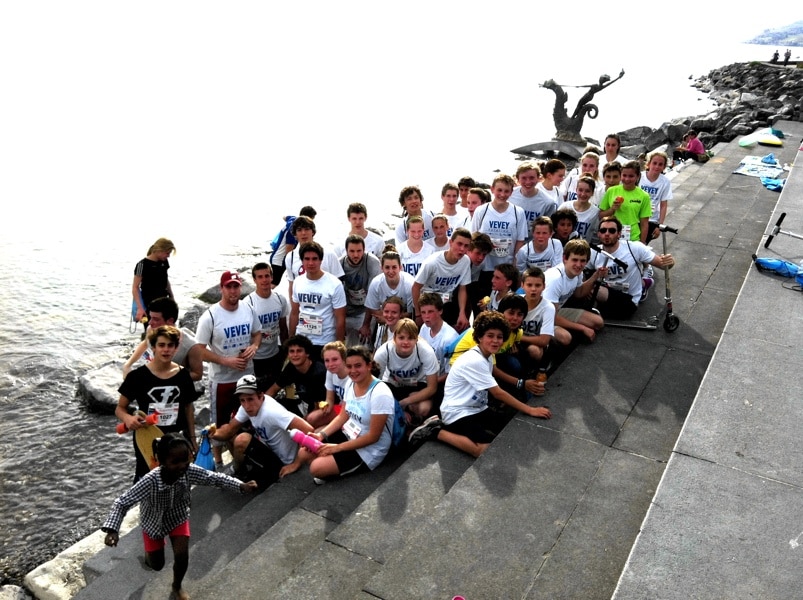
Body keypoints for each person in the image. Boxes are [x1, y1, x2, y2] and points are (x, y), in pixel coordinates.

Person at [101, 433, 257, 600]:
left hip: (178, 517)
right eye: (175, 462)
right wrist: (112, 530)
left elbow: (214, 478)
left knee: (182, 556)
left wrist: (240, 485)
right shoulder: (150, 481)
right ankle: (148, 557)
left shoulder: (188, 471)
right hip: (154, 522)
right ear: (162, 461)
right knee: (157, 565)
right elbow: (122, 502)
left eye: (185, 460)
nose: (182, 466)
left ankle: (177, 586)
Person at [407, 311, 551, 456]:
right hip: (458, 412)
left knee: (509, 429)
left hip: (477, 408)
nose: (495, 341)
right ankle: (435, 431)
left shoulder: (487, 355)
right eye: (490, 336)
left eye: (499, 337)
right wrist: (530, 410)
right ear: (480, 337)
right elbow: (498, 393)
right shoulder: (475, 360)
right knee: (484, 450)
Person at [196, 271, 262, 468]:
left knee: (251, 415)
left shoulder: (248, 309)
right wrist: (225, 361)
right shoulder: (210, 316)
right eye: (229, 287)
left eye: (236, 287)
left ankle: (249, 454)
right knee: (220, 422)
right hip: (222, 379)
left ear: (240, 288)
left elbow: (257, 333)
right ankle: (218, 461)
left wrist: (254, 346)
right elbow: (199, 350)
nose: (233, 291)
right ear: (222, 289)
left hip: (247, 375)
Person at [116, 325, 198, 482]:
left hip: (175, 437)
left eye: (170, 345)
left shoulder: (183, 375)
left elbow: (188, 408)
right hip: (147, 437)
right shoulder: (137, 377)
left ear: (176, 348)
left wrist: (193, 439)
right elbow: (120, 408)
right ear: (153, 347)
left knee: (177, 476)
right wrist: (128, 418)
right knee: (147, 477)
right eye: (161, 345)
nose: (166, 350)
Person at [306, 346, 395, 484]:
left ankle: (335, 470)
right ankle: (332, 465)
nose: (353, 371)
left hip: (369, 449)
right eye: (349, 366)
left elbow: (373, 437)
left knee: (316, 468)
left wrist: (337, 448)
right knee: (307, 449)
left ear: (369, 366)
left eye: (358, 366)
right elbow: (343, 416)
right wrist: (321, 435)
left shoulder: (380, 393)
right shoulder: (351, 383)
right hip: (349, 434)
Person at [211, 374, 315, 487]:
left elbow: (308, 430)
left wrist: (296, 464)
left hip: (284, 461)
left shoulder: (272, 412)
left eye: (250, 399)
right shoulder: (246, 407)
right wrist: (212, 434)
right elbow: (229, 431)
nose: (247, 406)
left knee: (242, 440)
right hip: (269, 449)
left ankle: (241, 473)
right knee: (228, 432)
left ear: (261, 396)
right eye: (242, 400)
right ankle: (239, 470)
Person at [590, 217, 675, 318]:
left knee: (592, 291)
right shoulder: (593, 252)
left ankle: (643, 284)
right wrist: (596, 275)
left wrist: (670, 262)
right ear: (598, 234)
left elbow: (663, 265)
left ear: (619, 234)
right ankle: (644, 283)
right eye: (603, 230)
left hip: (629, 299)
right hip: (608, 293)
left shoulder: (634, 248)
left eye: (612, 231)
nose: (607, 234)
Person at [471, 173, 528, 306]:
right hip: (484, 267)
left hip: (506, 267)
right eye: (499, 190)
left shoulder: (518, 212)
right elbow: (474, 239)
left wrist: (514, 266)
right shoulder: (481, 211)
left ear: (511, 192)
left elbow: (520, 241)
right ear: (492, 189)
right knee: (481, 305)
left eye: (506, 191)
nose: (502, 194)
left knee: (504, 306)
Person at [122, 296, 204, 382]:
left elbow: (197, 374)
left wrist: (168, 377)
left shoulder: (190, 345)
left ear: (170, 321)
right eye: (150, 317)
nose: (150, 323)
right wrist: (128, 364)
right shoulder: (151, 330)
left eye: (156, 319)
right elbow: (145, 343)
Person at [373, 318, 440, 423]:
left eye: (410, 338)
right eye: (401, 338)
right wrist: (396, 406)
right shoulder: (383, 352)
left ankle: (416, 425)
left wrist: (404, 403)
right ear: (394, 338)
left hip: (417, 385)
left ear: (417, 339)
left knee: (424, 408)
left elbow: (432, 388)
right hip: (392, 385)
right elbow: (373, 384)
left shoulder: (426, 351)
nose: (405, 342)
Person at [289, 242, 347, 360]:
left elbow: (340, 318)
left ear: (321, 260)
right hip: (302, 340)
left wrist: (339, 345)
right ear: (302, 261)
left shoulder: (334, 284)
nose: (311, 263)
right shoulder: (297, 282)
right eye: (307, 259)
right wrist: (291, 340)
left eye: (314, 259)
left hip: (325, 341)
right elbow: (294, 313)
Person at [543, 239, 605, 345]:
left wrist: (596, 276)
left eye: (582, 261)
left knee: (598, 322)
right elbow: (550, 317)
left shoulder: (578, 273)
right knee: (565, 337)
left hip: (556, 311)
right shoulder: (555, 279)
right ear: (565, 259)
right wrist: (582, 328)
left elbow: (579, 293)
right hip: (540, 316)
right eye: (575, 260)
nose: (578, 265)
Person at [412, 227, 473, 331]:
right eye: (459, 244)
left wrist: (462, 313)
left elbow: (463, 288)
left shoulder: (466, 261)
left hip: (447, 302)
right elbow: (415, 287)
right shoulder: (432, 262)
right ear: (451, 243)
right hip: (428, 301)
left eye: (466, 246)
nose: (462, 249)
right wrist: (418, 314)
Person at [245, 262, 289, 390]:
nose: (264, 280)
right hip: (256, 357)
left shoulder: (280, 299)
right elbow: (245, 335)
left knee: (273, 389)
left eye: (267, 276)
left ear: (272, 277)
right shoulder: (248, 303)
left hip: (275, 354)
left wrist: (287, 351)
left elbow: (283, 328)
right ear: (254, 280)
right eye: (260, 277)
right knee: (257, 390)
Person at [266, 335, 328, 424]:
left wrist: (299, 424)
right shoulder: (291, 367)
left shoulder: (318, 373)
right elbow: (273, 390)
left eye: (299, 351)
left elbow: (318, 407)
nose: (295, 355)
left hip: (322, 410)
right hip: (303, 404)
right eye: (291, 351)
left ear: (307, 353)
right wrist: (260, 406)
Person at [284, 215, 345, 300]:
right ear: (295, 234)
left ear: (313, 232)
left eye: (307, 229)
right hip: (303, 304)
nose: (303, 233)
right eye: (299, 230)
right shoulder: (290, 257)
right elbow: (291, 285)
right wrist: (293, 306)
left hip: (326, 303)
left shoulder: (328, 253)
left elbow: (339, 282)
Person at [340, 234, 382, 347]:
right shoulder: (340, 264)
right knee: (347, 346)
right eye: (352, 251)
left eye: (359, 251)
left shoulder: (372, 262)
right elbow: (336, 297)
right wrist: (340, 323)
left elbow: (373, 295)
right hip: (346, 310)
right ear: (346, 251)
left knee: (364, 346)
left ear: (364, 249)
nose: (356, 255)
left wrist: (366, 325)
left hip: (365, 310)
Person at [363, 250, 415, 338]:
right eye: (387, 267)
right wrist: (365, 325)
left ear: (400, 267)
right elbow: (372, 308)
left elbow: (411, 313)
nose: (391, 271)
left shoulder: (409, 284)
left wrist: (388, 319)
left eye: (394, 267)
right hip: (385, 320)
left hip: (406, 322)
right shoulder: (376, 283)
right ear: (382, 268)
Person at [599, 160, 652, 243]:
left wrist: (642, 244)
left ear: (638, 176)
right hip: (612, 236)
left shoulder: (644, 196)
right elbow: (600, 215)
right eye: (624, 175)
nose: (627, 179)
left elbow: (644, 224)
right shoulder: (611, 191)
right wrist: (612, 209)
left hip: (633, 238)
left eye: (631, 176)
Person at [418, 292, 459, 390]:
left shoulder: (450, 338)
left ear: (440, 311)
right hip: (423, 378)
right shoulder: (424, 328)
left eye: (430, 312)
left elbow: (451, 373)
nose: (426, 316)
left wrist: (428, 383)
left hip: (441, 385)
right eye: (423, 312)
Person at [304, 341, 349, 428]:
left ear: (344, 359)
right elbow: (329, 399)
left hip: (352, 411)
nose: (330, 364)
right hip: (341, 407)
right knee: (311, 419)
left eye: (335, 359)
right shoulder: (330, 372)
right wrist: (325, 408)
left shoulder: (352, 376)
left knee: (318, 430)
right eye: (327, 361)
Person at [268, 206, 316, 285]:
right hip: (280, 260)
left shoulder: (292, 219)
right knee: (275, 283)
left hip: (275, 256)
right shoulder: (293, 229)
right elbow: (289, 248)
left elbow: (284, 217)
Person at [132, 238, 176, 325]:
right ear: (159, 250)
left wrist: (172, 297)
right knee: (151, 328)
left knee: (167, 327)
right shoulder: (141, 265)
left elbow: (165, 279)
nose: (168, 256)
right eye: (167, 253)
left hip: (164, 301)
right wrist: (140, 308)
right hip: (148, 303)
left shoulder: (164, 262)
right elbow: (135, 287)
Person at [509, 161, 555, 240]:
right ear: (517, 178)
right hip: (511, 240)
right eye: (524, 178)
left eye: (531, 178)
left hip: (533, 243)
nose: (528, 182)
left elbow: (548, 228)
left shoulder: (548, 202)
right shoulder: (509, 195)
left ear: (538, 178)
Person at [520, 267, 555, 368]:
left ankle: (534, 370)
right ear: (522, 285)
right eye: (529, 285)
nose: (533, 289)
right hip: (515, 340)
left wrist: (517, 338)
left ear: (544, 286)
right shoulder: (515, 301)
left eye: (538, 285)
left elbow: (544, 340)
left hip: (534, 343)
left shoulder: (548, 307)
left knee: (534, 351)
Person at [639, 151, 673, 241]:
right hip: (636, 217)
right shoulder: (639, 177)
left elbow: (663, 205)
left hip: (652, 220)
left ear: (664, 167)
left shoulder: (665, 182)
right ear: (648, 163)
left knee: (643, 244)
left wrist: (659, 225)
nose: (657, 166)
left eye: (660, 164)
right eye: (654, 163)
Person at [559, 176, 600, 243]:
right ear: (576, 190)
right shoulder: (565, 206)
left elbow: (596, 236)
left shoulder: (595, 212)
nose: (583, 194)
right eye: (580, 190)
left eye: (587, 191)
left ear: (592, 193)